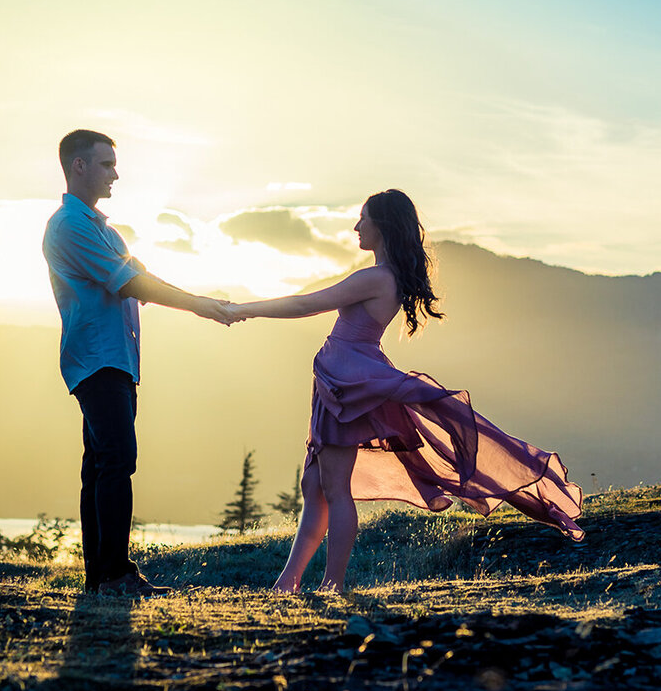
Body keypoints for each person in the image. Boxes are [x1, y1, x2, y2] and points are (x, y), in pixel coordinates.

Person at [228, 189, 584, 593]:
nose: (356, 226)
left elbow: (308, 303)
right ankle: (287, 583)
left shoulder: (377, 278)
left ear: (382, 225)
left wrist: (243, 309)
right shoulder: (385, 276)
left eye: (363, 218)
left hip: (350, 386)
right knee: (316, 487)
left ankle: (332, 584)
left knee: (334, 489)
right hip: (344, 380)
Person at [42, 129, 235, 596]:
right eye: (106, 164)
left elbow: (143, 275)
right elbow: (129, 283)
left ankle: (100, 578)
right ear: (79, 166)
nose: (116, 173)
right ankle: (114, 574)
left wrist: (198, 299)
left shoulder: (104, 230)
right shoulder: (69, 226)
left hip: (117, 360)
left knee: (101, 465)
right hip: (98, 360)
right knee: (116, 460)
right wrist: (200, 306)